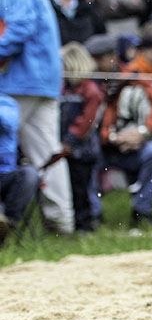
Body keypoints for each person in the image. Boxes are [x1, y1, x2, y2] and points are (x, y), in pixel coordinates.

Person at [0, 0, 75, 234]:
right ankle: (61, 223)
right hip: (43, 81)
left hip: (20, 81)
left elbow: (19, 28)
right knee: (49, 155)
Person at [86, 33, 152, 227]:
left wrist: (142, 133)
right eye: (94, 59)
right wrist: (112, 137)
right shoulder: (86, 82)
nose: (97, 63)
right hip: (100, 147)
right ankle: (93, 216)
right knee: (86, 156)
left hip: (131, 146)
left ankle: (142, 212)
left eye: (101, 58)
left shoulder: (132, 76)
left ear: (112, 56)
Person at [60, 42, 105, 233]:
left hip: (83, 150)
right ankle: (77, 223)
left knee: (83, 189)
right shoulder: (66, 88)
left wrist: (70, 140)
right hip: (68, 147)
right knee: (72, 188)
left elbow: (86, 120)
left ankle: (85, 225)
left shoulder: (90, 90)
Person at [0, 92, 41, 244]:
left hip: (7, 174)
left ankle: (8, 223)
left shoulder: (7, 103)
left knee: (30, 174)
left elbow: (9, 123)